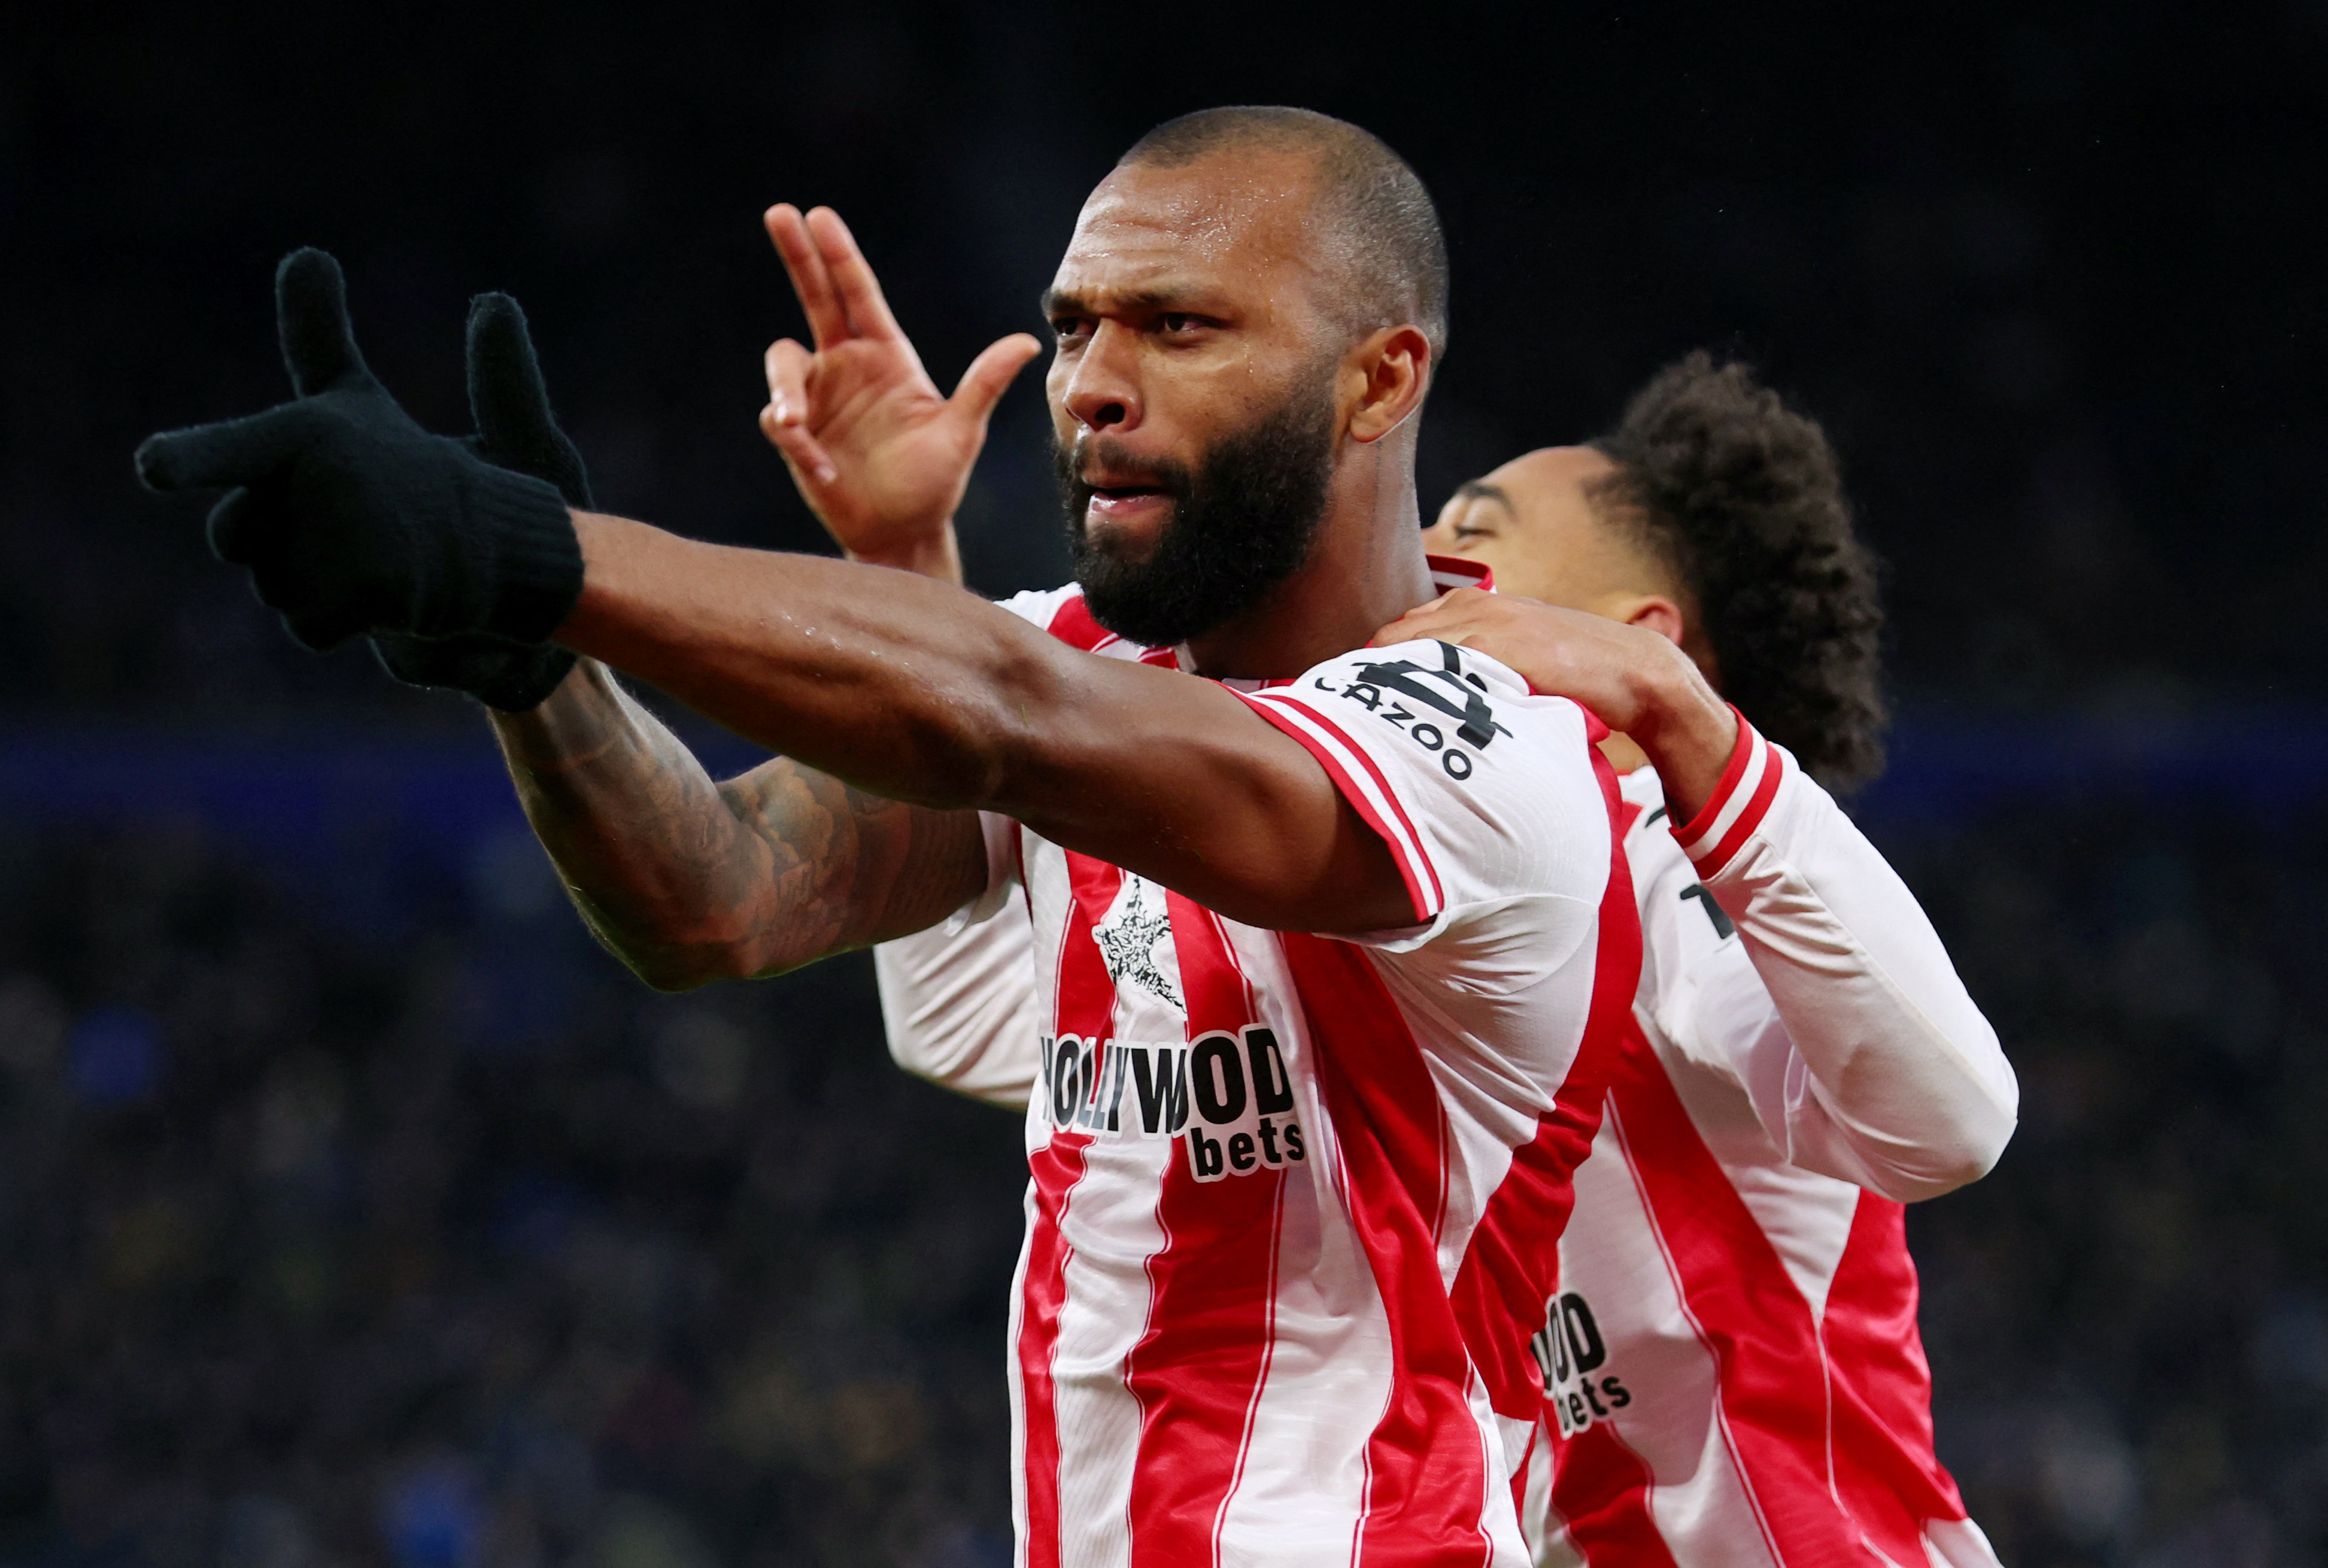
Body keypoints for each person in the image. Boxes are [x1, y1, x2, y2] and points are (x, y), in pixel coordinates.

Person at [137, 107, 1646, 1566]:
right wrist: (531, 669)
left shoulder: (1488, 737)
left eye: (1178, 327)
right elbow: (717, 898)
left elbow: (1006, 716)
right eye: (1073, 328)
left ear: (1376, 381)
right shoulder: (1082, 663)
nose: (1092, 386)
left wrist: (528, 554)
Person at [764, 275, 2016, 1564]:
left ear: (1631, 639)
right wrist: (904, 566)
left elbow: (1953, 1121)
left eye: (1475, 528)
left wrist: (1673, 715)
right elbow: (962, 1024)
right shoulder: (1391, 904)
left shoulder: (1654, 862)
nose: (1422, 549)